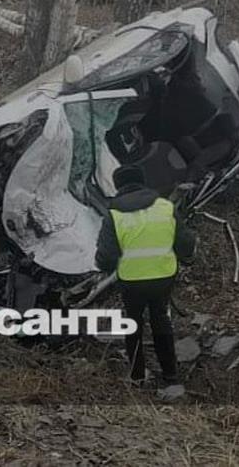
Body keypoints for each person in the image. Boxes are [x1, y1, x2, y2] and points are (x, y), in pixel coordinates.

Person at [95, 165, 195, 401]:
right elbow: (186, 243)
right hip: (163, 277)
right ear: (143, 182)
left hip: (132, 281)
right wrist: (185, 257)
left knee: (133, 322)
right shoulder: (164, 207)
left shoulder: (114, 214)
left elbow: (106, 258)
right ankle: (170, 375)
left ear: (118, 186)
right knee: (161, 320)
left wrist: (104, 267)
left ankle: (138, 375)